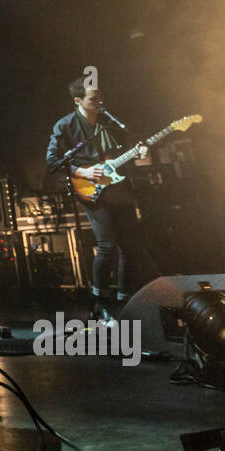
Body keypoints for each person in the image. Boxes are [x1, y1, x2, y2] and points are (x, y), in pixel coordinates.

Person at [45, 79, 153, 319]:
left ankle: (125, 301)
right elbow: (53, 161)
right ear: (78, 101)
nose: (99, 102)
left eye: (100, 96)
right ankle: (100, 304)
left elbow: (132, 145)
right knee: (107, 246)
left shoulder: (110, 121)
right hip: (91, 190)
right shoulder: (65, 126)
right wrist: (81, 171)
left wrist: (142, 149)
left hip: (119, 187)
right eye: (93, 98)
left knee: (130, 248)